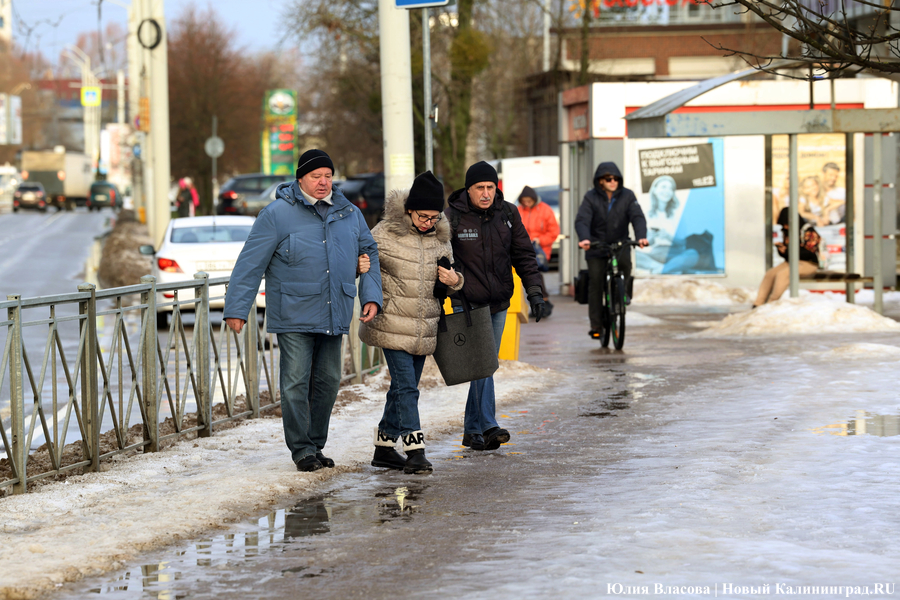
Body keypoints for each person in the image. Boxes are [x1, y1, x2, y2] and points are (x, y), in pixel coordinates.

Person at [223, 149, 383, 472]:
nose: (323, 182)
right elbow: (250, 264)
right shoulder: (276, 214)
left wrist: (371, 295)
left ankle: (314, 443)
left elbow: (368, 254)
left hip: (334, 307)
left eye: (328, 176)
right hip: (293, 312)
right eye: (316, 176)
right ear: (300, 179)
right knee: (295, 382)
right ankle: (301, 450)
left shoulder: (349, 212)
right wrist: (237, 309)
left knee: (328, 381)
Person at [359, 171, 464, 475]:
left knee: (403, 389)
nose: (428, 222)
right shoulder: (385, 232)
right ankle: (415, 449)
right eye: (423, 216)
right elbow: (364, 264)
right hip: (391, 322)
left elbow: (452, 276)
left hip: (424, 325)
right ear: (409, 209)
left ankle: (383, 448)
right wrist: (359, 266)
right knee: (407, 388)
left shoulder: (441, 239)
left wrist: (454, 280)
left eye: (434, 217)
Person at [446, 161, 546, 451]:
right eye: (480, 188)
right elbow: (441, 259)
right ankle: (488, 425)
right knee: (483, 363)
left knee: (485, 365)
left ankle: (472, 430)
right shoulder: (452, 217)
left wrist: (535, 293)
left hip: (500, 301)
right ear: (469, 189)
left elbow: (524, 255)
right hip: (467, 300)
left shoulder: (508, 214)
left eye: (491, 187)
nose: (486, 193)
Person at [575, 162, 648, 340]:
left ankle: (623, 296)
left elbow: (637, 217)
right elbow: (582, 220)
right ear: (600, 181)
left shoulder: (628, 196)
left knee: (625, 267)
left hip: (620, 243)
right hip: (596, 245)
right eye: (609, 178)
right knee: (596, 282)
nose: (613, 181)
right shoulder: (590, 197)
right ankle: (596, 325)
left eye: (616, 178)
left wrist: (641, 236)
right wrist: (585, 239)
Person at [753, 207, 821, 306]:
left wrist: (788, 251)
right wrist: (782, 250)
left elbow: (811, 252)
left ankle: (771, 303)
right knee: (770, 274)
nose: (785, 226)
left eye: (786, 223)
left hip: (809, 263)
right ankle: (758, 303)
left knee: (783, 274)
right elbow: (788, 255)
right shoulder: (786, 231)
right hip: (791, 261)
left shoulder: (809, 232)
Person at [517, 185, 559, 317]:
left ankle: (543, 302)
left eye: (529, 201)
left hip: (540, 250)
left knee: (535, 275)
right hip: (522, 249)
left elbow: (554, 231)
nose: (527, 204)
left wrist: (540, 239)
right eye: (524, 201)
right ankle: (542, 302)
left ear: (534, 200)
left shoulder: (545, 210)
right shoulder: (518, 210)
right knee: (532, 276)